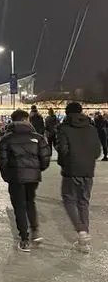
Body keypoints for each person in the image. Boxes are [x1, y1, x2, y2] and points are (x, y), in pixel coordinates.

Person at [0, 108, 51, 252]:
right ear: (26, 120)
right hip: (33, 178)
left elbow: (2, 161)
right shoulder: (38, 137)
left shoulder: (6, 139)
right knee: (30, 202)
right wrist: (37, 170)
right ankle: (35, 232)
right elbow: (46, 158)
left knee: (19, 206)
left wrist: (6, 177)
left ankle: (24, 239)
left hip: (15, 177)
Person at [57, 102, 101, 253]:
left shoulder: (64, 129)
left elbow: (62, 150)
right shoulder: (92, 129)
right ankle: (84, 241)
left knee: (69, 199)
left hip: (71, 170)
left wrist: (63, 164)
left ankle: (81, 231)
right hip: (88, 170)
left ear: (67, 113)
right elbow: (97, 152)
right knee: (83, 202)